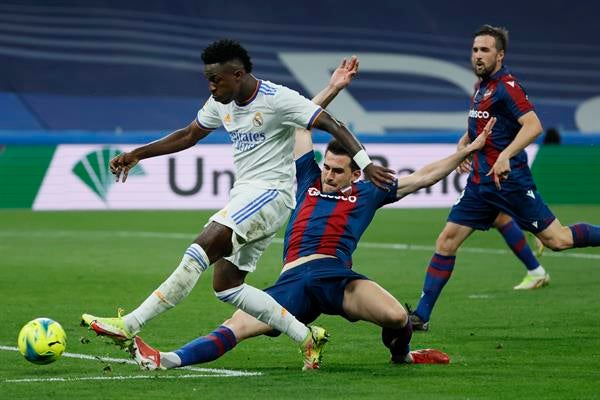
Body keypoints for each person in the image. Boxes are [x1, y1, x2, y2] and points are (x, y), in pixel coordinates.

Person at [125, 67, 495, 371]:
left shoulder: (368, 192)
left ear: (354, 173)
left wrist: (468, 150)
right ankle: (166, 359)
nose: (329, 174)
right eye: (328, 167)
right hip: (295, 280)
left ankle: (403, 355)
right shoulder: (307, 178)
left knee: (397, 317)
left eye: (338, 170)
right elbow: (299, 123)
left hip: (337, 277)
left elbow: (425, 176)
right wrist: (333, 87)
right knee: (235, 326)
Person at [80, 40, 394, 369]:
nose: (211, 87)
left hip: (270, 194)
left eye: (216, 80)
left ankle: (130, 324)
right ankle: (305, 336)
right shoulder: (220, 100)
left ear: (238, 74)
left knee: (199, 249)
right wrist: (136, 154)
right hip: (245, 194)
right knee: (227, 286)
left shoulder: (277, 99)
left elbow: (331, 123)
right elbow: (189, 135)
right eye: (208, 80)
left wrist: (366, 163)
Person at [409, 24, 600, 331]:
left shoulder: (506, 86)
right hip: (480, 187)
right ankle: (421, 316)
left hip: (510, 183)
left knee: (558, 240)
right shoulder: (481, 86)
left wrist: (505, 155)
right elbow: (485, 121)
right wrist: (466, 143)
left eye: (485, 50)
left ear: (500, 55)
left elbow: (533, 125)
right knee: (446, 241)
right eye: (474, 50)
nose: (477, 55)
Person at [456, 134, 549, 290]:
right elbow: (477, 122)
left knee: (558, 238)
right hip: (496, 160)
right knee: (500, 218)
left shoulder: (503, 111)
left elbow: (531, 126)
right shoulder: (482, 111)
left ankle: (536, 228)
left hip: (501, 162)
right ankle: (535, 267)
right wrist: (462, 144)